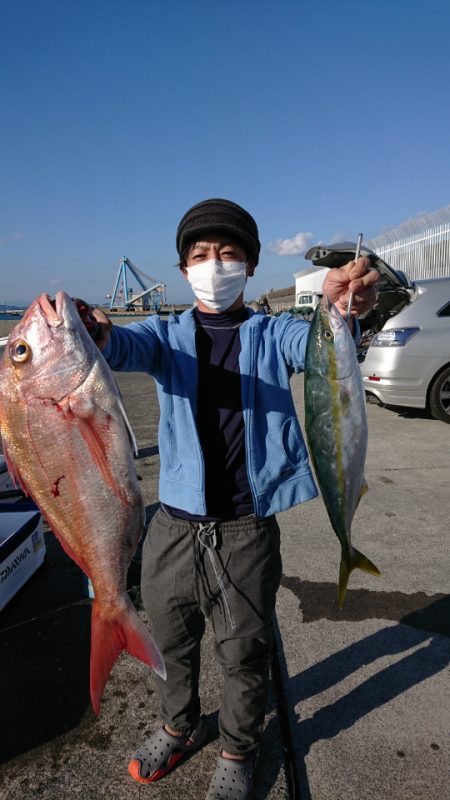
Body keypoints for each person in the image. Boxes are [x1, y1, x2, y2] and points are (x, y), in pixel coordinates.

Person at [89, 198, 378, 800]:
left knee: (245, 648)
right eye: (199, 256)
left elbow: (320, 347)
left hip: (248, 529)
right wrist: (93, 333)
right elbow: (119, 349)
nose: (213, 265)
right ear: (183, 267)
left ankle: (238, 748)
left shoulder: (274, 332)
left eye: (227, 254)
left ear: (248, 266)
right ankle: (178, 723)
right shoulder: (163, 335)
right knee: (171, 639)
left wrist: (341, 309)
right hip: (171, 527)